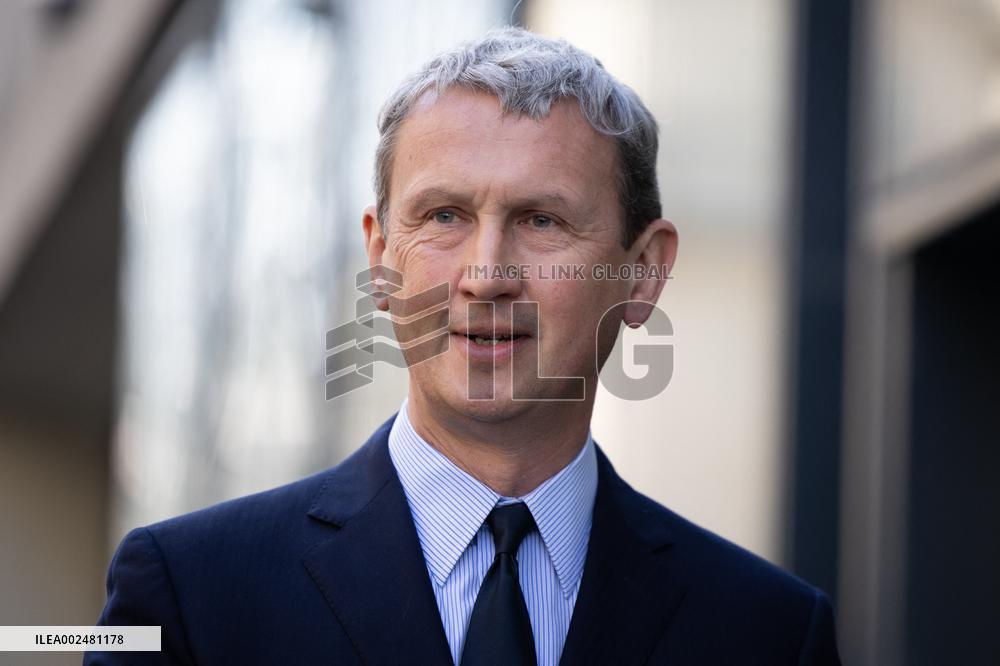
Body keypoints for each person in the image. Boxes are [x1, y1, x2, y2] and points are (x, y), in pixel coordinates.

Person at [86, 27, 840, 665]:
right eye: (444, 216)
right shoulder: (191, 595)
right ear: (382, 259)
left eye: (542, 220)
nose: (487, 275)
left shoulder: (770, 634)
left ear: (641, 273)